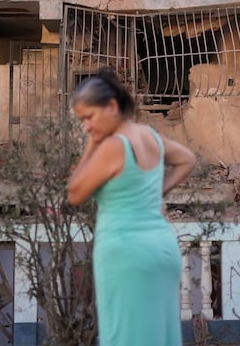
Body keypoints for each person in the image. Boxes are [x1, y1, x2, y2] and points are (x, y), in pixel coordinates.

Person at [67, 68, 197, 346]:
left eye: (89, 117)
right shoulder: (148, 135)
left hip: (127, 254)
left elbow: (75, 193)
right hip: (162, 249)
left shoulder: (114, 145)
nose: (86, 127)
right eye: (82, 121)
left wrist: (91, 145)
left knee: (126, 337)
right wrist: (156, 193)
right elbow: (187, 159)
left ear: (112, 107)